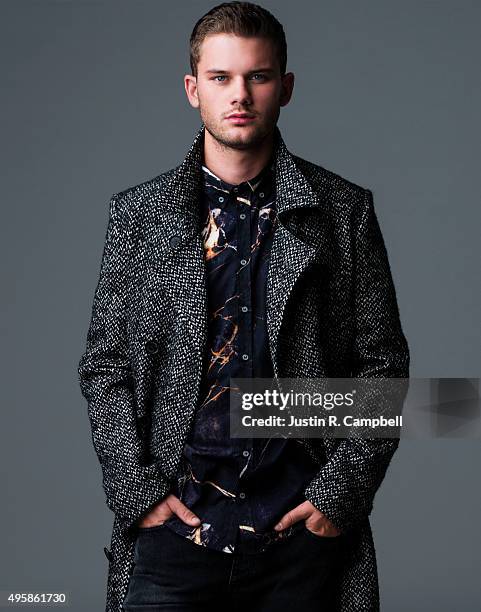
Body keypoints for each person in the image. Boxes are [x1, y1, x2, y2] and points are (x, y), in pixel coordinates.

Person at [77, 2, 410, 611]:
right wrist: (136, 493)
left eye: (257, 77)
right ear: (192, 88)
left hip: (299, 541)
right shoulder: (139, 217)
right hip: (174, 537)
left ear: (284, 88)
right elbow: (106, 368)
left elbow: (383, 370)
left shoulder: (343, 212)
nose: (240, 95)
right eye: (220, 77)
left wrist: (338, 497)